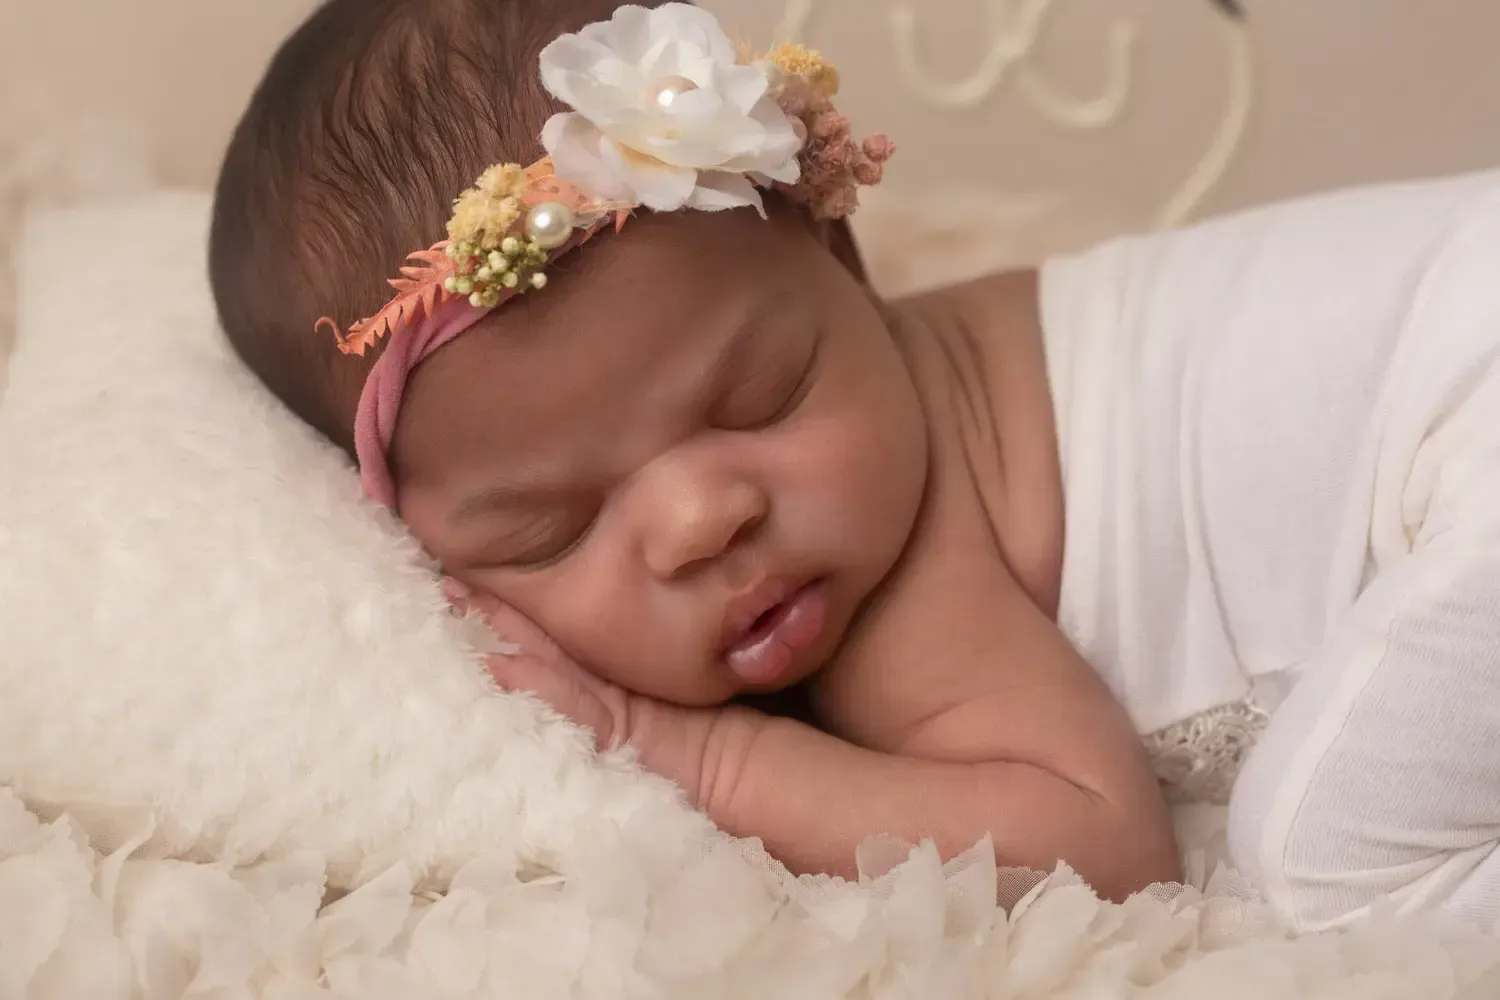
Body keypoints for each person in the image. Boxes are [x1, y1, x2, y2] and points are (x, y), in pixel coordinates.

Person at [209, 0, 1500, 930]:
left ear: (843, 261)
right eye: (552, 528)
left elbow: (1104, 850)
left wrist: (684, 753)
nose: (703, 519)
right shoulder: (840, 458)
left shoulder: (910, 567)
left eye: (761, 396)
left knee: (1325, 871)